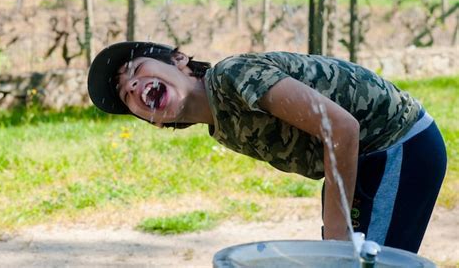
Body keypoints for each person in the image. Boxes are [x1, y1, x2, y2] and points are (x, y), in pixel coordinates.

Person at [87, 41, 447, 253]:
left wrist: (337, 235)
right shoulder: (220, 124)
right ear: (156, 121)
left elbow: (340, 127)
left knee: (357, 261)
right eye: (126, 94)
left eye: (135, 69)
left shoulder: (233, 76)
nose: (133, 86)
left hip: (400, 143)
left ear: (179, 61)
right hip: (362, 159)